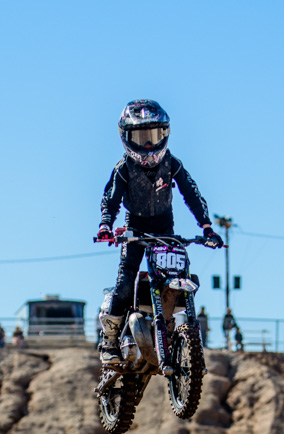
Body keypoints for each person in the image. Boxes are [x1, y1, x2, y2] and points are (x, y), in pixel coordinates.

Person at [95, 99, 223, 367]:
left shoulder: (172, 163)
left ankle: (172, 332)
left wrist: (207, 227)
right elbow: (111, 199)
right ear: (126, 138)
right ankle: (109, 341)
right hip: (134, 228)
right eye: (141, 138)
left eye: (153, 136)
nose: (148, 145)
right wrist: (105, 225)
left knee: (176, 277)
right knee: (125, 282)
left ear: (165, 133)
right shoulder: (123, 168)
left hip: (165, 227)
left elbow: (191, 192)